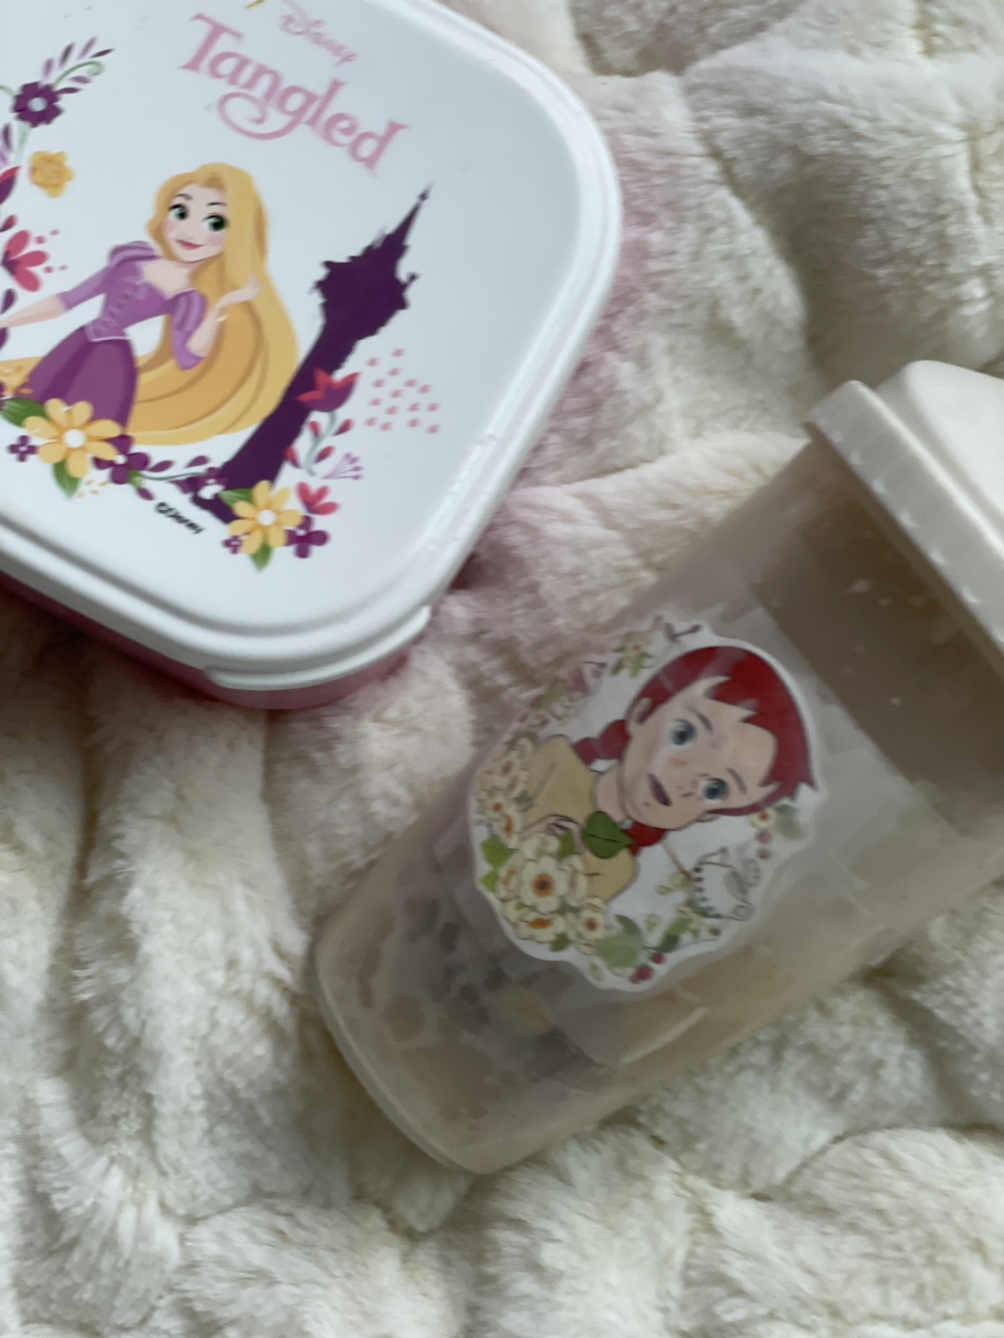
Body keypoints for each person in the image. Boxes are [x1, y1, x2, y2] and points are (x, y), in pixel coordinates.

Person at [0, 162, 297, 446]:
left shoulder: (189, 299)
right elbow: (68, 300)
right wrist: (7, 321)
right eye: (181, 211)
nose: (190, 230)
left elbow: (188, 355)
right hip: (76, 345)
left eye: (214, 222)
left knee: (83, 434)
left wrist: (221, 307)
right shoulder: (130, 259)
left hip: (111, 363)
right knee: (30, 414)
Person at [518, 644, 815, 903]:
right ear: (641, 714)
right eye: (682, 734)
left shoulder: (619, 870)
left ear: (707, 816)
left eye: (714, 789)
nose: (683, 781)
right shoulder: (554, 759)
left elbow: (557, 920)